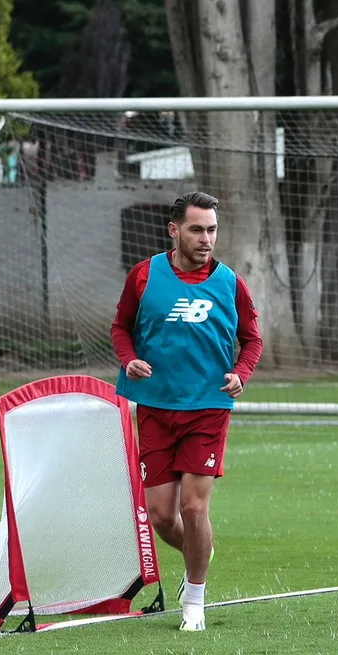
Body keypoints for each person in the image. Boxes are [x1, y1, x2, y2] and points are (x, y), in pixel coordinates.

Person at [111, 191, 263, 632]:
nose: (206, 238)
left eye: (212, 230)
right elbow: (121, 327)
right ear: (173, 231)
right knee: (162, 515)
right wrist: (129, 360)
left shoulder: (230, 283)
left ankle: (194, 600)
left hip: (208, 408)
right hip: (156, 407)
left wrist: (240, 373)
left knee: (194, 509)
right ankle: (200, 550)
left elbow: (252, 340)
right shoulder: (144, 276)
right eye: (197, 229)